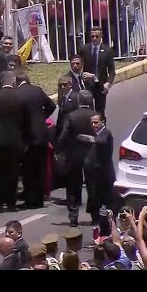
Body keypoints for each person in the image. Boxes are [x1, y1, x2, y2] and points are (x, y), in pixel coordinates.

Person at [0, 71, 29, 213]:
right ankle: (11, 203)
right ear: (14, 82)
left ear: (2, 82)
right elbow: (25, 121)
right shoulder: (20, 97)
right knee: (13, 173)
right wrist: (25, 140)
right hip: (15, 141)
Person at [15, 71, 56, 209]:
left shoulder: (18, 95)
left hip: (28, 137)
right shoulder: (37, 90)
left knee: (29, 170)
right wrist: (41, 118)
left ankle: (31, 200)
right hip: (42, 135)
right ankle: (39, 199)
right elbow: (52, 106)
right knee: (41, 168)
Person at [56, 90, 96, 226]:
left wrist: (58, 150)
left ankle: (73, 217)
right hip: (92, 156)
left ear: (79, 101)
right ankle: (95, 215)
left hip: (74, 156)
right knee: (92, 186)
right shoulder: (96, 116)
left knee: (73, 186)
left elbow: (63, 136)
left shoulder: (71, 116)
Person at [78, 112, 117, 224]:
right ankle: (95, 219)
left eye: (96, 122)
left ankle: (106, 221)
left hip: (103, 174)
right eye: (92, 123)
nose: (94, 125)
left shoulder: (106, 133)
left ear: (102, 122)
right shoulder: (92, 134)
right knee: (93, 197)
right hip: (92, 175)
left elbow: (103, 142)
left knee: (105, 199)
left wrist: (92, 139)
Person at [79, 26, 116, 119]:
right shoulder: (84, 49)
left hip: (101, 85)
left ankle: (102, 131)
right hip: (88, 85)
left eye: (97, 36)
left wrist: (108, 83)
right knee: (89, 112)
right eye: (92, 36)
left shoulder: (107, 50)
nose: (94, 39)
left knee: (100, 112)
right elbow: (78, 64)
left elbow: (111, 70)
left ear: (101, 37)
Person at [55, 75, 78, 139]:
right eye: (60, 85)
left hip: (70, 133)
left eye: (64, 84)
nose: (62, 87)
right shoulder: (62, 98)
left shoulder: (76, 98)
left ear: (70, 84)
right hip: (61, 131)